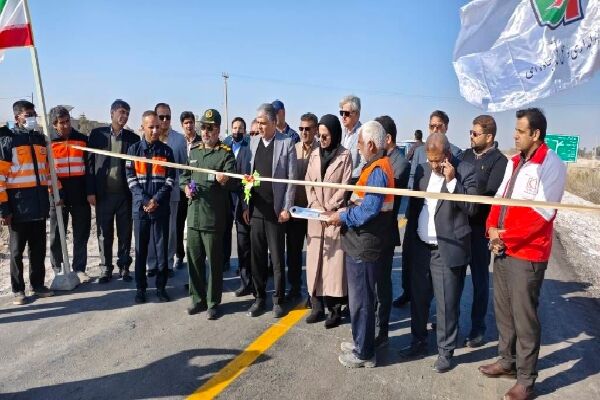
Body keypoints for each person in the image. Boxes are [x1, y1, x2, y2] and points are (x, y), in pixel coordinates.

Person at [479, 108, 566, 400]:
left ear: (536, 134)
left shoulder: (551, 164)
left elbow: (542, 215)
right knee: (503, 310)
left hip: (527, 253)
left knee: (524, 318)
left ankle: (526, 381)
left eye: (520, 131)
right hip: (503, 248)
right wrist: (491, 229)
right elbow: (499, 199)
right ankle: (507, 362)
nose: (514, 135)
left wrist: (505, 236)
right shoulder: (514, 162)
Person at [400, 132, 477, 373]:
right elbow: (414, 208)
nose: (433, 165)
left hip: (446, 249)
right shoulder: (422, 171)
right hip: (421, 247)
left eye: (438, 160)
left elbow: (472, 207)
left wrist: (452, 182)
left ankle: (445, 352)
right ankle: (418, 342)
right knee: (418, 299)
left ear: (448, 154)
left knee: (446, 305)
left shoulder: (465, 170)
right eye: (430, 160)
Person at [326, 120, 395, 368]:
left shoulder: (377, 171)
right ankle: (360, 341)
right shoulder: (374, 166)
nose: (358, 147)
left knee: (362, 301)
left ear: (372, 145)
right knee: (359, 299)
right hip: (360, 242)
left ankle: (364, 353)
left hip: (365, 244)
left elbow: (368, 210)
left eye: (361, 143)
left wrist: (342, 215)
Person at [394, 109, 462, 308]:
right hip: (416, 211)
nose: (435, 129)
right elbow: (413, 177)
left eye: (439, 126)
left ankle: (432, 302)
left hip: (440, 218)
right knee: (409, 256)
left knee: (435, 271)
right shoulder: (419, 151)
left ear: (446, 127)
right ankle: (408, 292)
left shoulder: (455, 152)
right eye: (432, 126)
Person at [180, 109, 237, 320]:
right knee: (194, 261)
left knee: (213, 263)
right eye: (203, 127)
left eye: (210, 128)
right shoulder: (194, 151)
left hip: (213, 218)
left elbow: (234, 182)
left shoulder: (225, 153)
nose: (205, 131)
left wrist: (225, 180)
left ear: (218, 130)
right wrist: (185, 187)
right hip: (194, 216)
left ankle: (213, 302)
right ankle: (197, 299)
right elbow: (184, 176)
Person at [242, 103, 297, 318]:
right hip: (256, 209)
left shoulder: (286, 143)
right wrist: (246, 205)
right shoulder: (253, 142)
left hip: (276, 212)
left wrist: (286, 208)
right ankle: (259, 297)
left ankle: (278, 299)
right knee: (257, 258)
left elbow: (292, 179)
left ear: (274, 122)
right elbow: (247, 175)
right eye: (258, 122)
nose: (260, 127)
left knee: (276, 259)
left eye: (264, 123)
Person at [459, 115, 508, 348]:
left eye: (475, 133)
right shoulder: (465, 156)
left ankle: (477, 328)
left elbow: (490, 193)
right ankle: (449, 322)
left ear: (489, 137)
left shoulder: (500, 161)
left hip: (480, 229)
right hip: (460, 226)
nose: (471, 136)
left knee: (480, 281)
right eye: (471, 132)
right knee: (455, 278)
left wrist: (467, 192)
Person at [0, 100, 55, 304]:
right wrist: (4, 209)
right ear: (17, 118)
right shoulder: (8, 140)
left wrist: (54, 195)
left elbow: (47, 171)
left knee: (38, 249)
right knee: (16, 252)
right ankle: (18, 290)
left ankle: (38, 285)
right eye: (28, 114)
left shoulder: (40, 140)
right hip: (18, 206)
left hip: (39, 204)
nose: (32, 118)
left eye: (34, 114)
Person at [304, 114, 353, 327]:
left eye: (326, 136)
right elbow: (308, 182)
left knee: (333, 267)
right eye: (320, 135)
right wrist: (316, 207)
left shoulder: (345, 155)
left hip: (333, 217)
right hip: (316, 217)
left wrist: (330, 207)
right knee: (315, 262)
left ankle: (334, 310)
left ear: (335, 134)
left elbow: (345, 186)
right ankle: (316, 307)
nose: (322, 139)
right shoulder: (314, 153)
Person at [125, 111, 175, 303]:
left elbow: (170, 180)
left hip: (160, 208)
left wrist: (156, 200)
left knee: (161, 251)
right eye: (151, 127)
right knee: (141, 250)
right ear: (142, 127)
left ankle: (161, 288)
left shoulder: (167, 151)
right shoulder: (133, 150)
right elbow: (130, 179)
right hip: (140, 209)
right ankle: (141, 288)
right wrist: (146, 200)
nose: (155, 130)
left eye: (157, 126)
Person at [88, 99, 140, 284]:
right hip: (103, 195)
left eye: (127, 113)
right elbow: (90, 164)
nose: (124, 116)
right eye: (121, 112)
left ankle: (124, 267)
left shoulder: (133, 139)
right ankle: (105, 269)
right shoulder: (97, 135)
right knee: (104, 234)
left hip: (125, 195)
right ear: (112, 113)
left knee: (125, 233)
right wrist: (90, 191)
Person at [373, 116, 410, 348]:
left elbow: (384, 197)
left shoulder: (400, 163)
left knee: (382, 285)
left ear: (387, 138)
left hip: (385, 233)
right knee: (373, 285)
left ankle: (382, 331)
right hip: (372, 232)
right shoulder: (381, 159)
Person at [48, 106, 93, 279]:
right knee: (57, 233)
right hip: (58, 193)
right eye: (62, 123)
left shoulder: (82, 139)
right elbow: (46, 170)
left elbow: (89, 168)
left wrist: (90, 191)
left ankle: (79, 269)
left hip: (79, 192)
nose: (66, 125)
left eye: (67, 121)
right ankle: (58, 270)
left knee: (81, 232)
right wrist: (55, 192)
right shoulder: (49, 143)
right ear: (54, 124)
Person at [146, 103, 187, 278]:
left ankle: (168, 263)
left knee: (170, 231)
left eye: (167, 117)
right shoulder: (147, 137)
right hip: (151, 194)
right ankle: (152, 264)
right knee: (151, 230)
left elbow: (184, 167)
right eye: (161, 117)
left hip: (172, 193)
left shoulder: (179, 140)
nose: (164, 120)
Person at [285, 112, 319, 303]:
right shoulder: (293, 148)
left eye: (308, 129)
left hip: (313, 211)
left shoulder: (321, 151)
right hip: (296, 210)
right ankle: (295, 287)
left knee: (314, 255)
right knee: (293, 252)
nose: (304, 132)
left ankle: (313, 293)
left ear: (315, 130)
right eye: (301, 128)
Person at [223, 117, 254, 297]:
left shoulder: (248, 149)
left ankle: (247, 281)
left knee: (244, 244)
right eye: (234, 128)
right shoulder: (225, 146)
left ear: (244, 131)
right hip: (227, 201)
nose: (237, 131)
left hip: (242, 201)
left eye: (240, 128)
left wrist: (246, 205)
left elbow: (247, 179)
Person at [176, 111, 201, 269]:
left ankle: (197, 256)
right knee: (179, 223)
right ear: (182, 125)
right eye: (186, 123)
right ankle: (179, 255)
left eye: (191, 122)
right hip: (180, 188)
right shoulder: (178, 142)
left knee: (195, 224)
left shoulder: (201, 141)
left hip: (197, 189)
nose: (189, 125)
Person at [339, 95, 363, 179]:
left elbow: (364, 163)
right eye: (341, 113)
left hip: (353, 182)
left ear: (357, 114)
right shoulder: (340, 132)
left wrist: (348, 177)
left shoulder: (363, 133)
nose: (343, 116)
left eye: (347, 113)